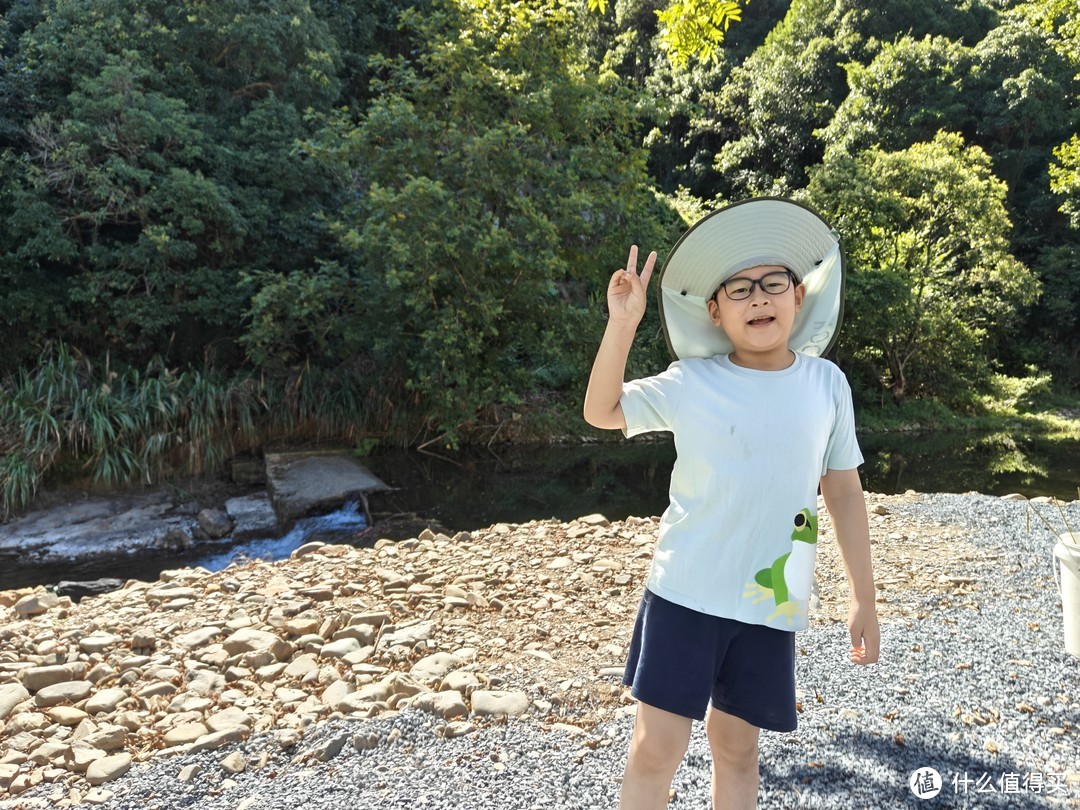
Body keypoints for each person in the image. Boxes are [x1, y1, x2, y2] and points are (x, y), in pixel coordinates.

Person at [583, 198, 880, 810]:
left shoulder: (828, 385)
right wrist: (622, 325)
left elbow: (844, 491)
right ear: (715, 313)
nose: (759, 298)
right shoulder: (693, 381)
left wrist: (864, 596)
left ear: (799, 298)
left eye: (774, 283)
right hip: (686, 592)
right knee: (655, 749)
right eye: (739, 289)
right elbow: (601, 410)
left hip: (770, 601)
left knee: (739, 750)